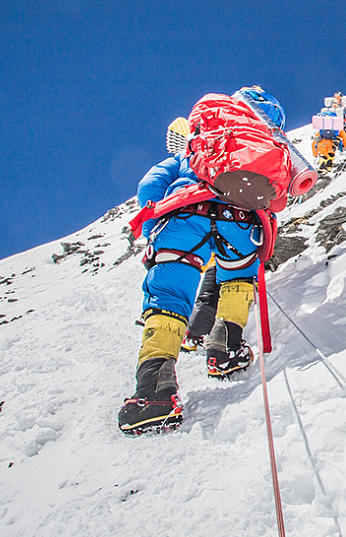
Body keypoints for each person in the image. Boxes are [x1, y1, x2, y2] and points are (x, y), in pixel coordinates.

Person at [117, 91, 287, 434]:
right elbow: (278, 198)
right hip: (241, 220)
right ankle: (224, 350)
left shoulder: (195, 148)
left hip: (183, 215)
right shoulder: (262, 145)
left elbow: (150, 186)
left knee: (169, 295)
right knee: (236, 282)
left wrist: (155, 228)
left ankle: (154, 393)